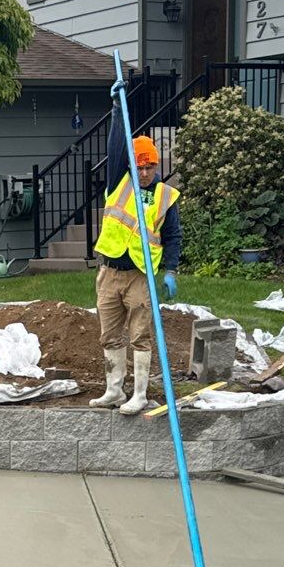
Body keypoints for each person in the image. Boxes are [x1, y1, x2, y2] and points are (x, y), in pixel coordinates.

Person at [88, 113, 181, 416]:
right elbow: (115, 149)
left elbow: (173, 236)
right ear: (131, 165)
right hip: (110, 272)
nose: (144, 172)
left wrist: (170, 271)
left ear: (157, 165)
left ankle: (139, 394)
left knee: (140, 334)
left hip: (140, 276)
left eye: (150, 166)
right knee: (109, 334)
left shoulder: (166, 196)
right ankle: (114, 390)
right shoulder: (118, 182)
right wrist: (116, 113)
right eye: (139, 166)